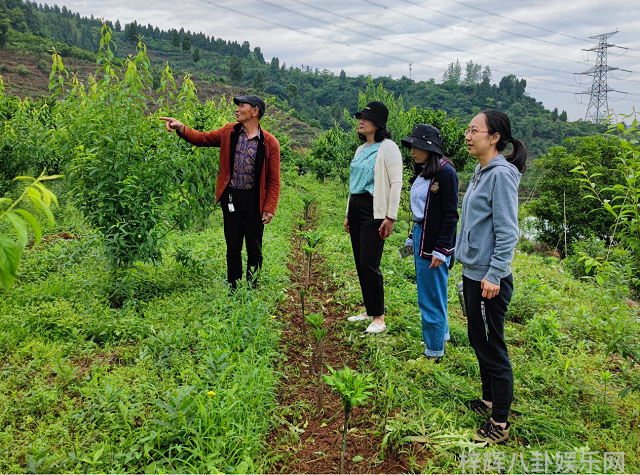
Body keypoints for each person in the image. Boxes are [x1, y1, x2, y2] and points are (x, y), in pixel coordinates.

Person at [455, 109, 527, 445]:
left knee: (493, 347)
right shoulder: (481, 171)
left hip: (489, 280)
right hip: (474, 274)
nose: (468, 136)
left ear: (494, 137)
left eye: (475, 130)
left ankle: (500, 422)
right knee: (478, 340)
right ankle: (489, 399)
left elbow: (508, 232)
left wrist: (495, 274)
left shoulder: (502, 175)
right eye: (467, 130)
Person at [159, 95, 281, 290]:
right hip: (231, 197)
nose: (237, 109)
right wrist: (181, 128)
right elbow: (202, 138)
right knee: (233, 247)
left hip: (254, 201)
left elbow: (274, 180)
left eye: (242, 106)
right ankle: (234, 287)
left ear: (255, 111)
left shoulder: (270, 143)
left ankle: (252, 288)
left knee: (254, 248)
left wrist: (269, 207)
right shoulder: (228, 132)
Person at [401, 124, 458, 362]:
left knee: (430, 298)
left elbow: (450, 214)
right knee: (434, 294)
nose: (412, 151)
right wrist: (412, 237)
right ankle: (440, 337)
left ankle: (433, 353)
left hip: (433, 244)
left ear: (430, 148)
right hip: (420, 236)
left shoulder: (446, 173)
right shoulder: (424, 172)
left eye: (417, 146)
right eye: (412, 146)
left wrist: (441, 250)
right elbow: (421, 210)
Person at [344, 101, 403, 333]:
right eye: (360, 117)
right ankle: (369, 309)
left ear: (377, 124)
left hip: (375, 210)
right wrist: (349, 213)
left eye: (366, 119)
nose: (361, 121)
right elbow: (354, 184)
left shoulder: (388, 148)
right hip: (358, 206)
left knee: (370, 263)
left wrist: (391, 216)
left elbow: (396, 183)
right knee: (360, 261)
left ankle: (379, 316)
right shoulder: (361, 150)